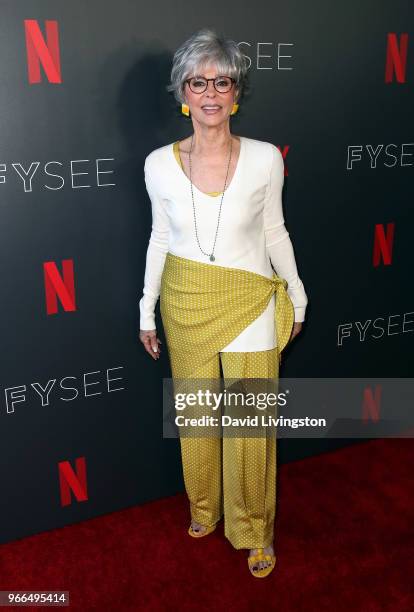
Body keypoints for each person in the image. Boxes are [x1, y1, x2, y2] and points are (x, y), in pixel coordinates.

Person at [139, 27, 308, 578]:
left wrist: (298, 296)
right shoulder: (157, 164)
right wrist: (146, 308)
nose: (210, 93)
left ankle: (254, 528)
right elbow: (160, 238)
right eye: (197, 82)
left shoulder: (263, 158)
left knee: (249, 425)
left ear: (236, 93)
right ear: (182, 93)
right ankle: (205, 510)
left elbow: (276, 230)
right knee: (197, 419)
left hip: (250, 301)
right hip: (184, 302)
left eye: (222, 81)